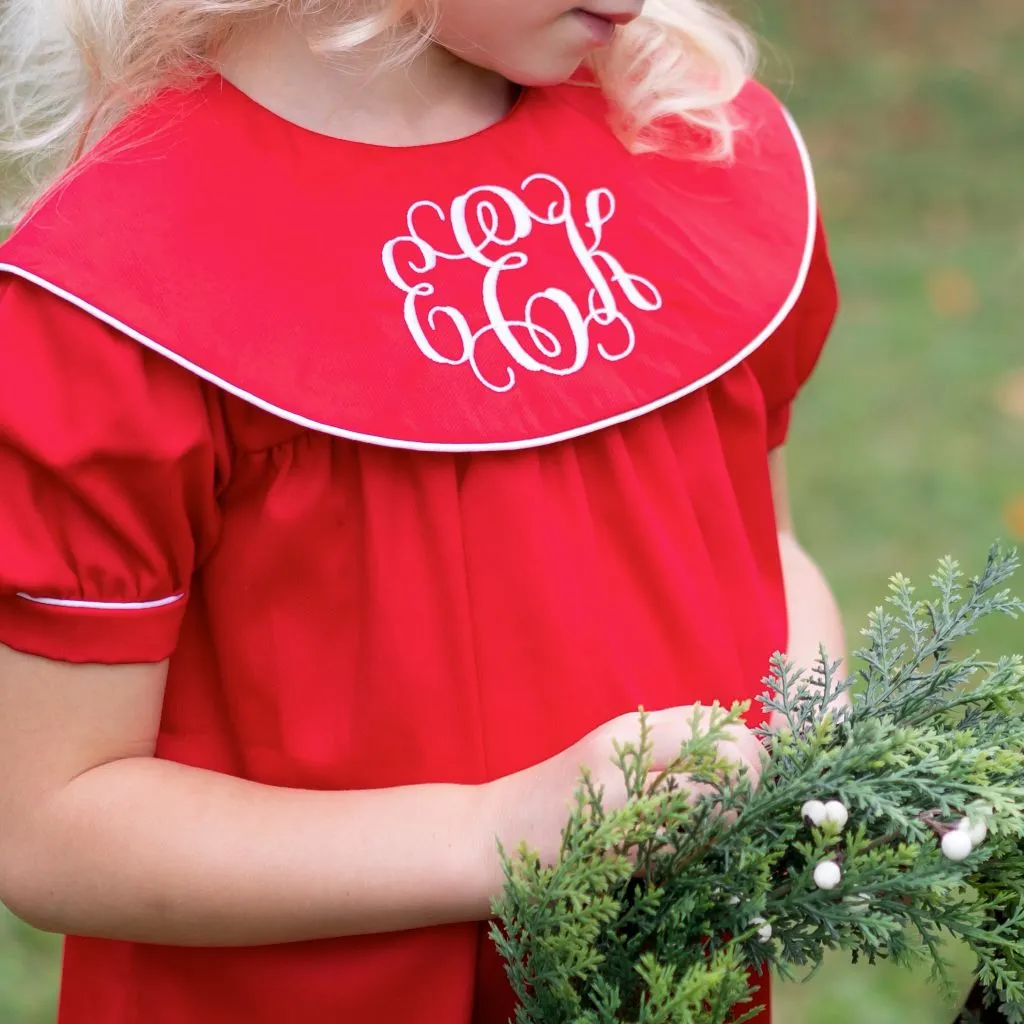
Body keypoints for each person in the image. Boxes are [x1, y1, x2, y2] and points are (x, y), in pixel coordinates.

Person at [0, 0, 846, 1021]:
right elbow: (49, 822)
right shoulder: (117, 295)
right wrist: (499, 831)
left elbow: (767, 545)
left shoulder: (681, 132)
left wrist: (805, 736)